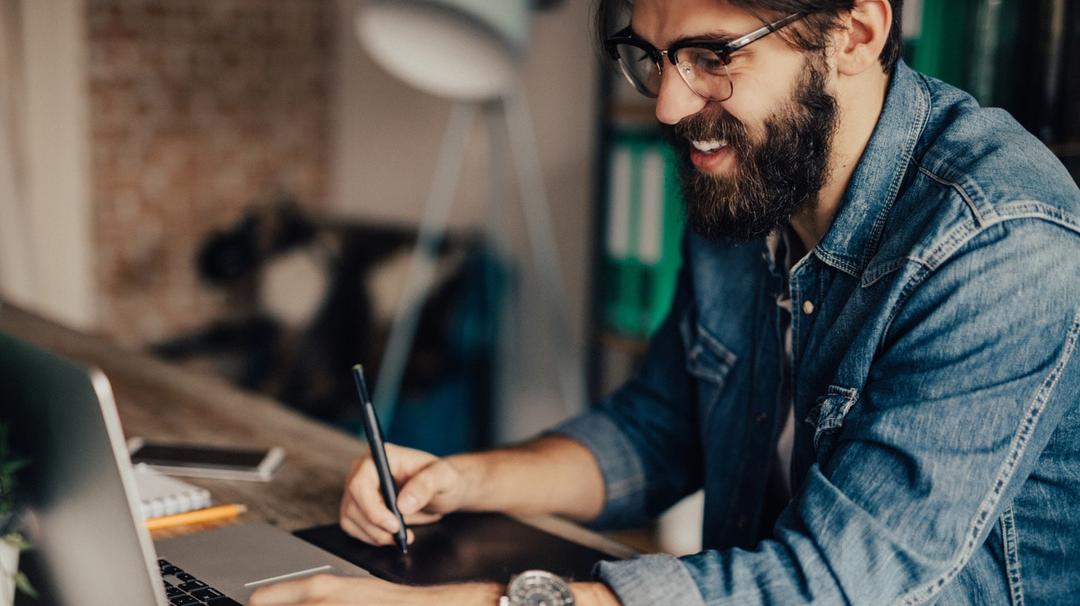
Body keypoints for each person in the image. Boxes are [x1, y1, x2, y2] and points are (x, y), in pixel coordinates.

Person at [251, 0, 1080, 603]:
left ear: (857, 31)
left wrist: (489, 605)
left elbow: (844, 577)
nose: (670, 105)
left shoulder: (1002, 242)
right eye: (650, 55)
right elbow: (660, 429)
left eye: (714, 53)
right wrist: (464, 480)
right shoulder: (751, 191)